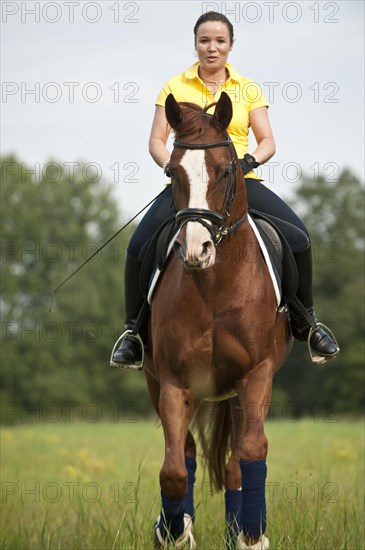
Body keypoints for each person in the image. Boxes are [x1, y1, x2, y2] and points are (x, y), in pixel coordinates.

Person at [111, 11, 339, 367]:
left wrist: (247, 163)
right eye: (205, 41)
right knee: (139, 244)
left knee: (299, 239)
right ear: (196, 44)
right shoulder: (174, 87)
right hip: (187, 186)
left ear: (231, 46)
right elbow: (156, 140)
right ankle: (133, 334)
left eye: (219, 41)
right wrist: (171, 167)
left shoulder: (247, 88)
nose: (212, 48)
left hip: (239, 182)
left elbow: (267, 141)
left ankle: (307, 322)